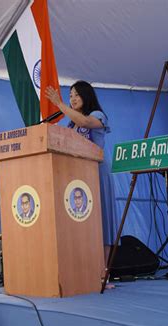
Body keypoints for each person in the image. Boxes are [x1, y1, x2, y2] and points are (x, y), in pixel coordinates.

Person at [45, 81, 116, 277]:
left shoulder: (97, 116)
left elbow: (85, 123)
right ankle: (84, 273)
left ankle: (103, 274)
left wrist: (60, 104)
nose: (72, 99)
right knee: (83, 220)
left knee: (102, 220)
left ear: (87, 96)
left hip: (98, 173)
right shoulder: (70, 123)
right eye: (70, 96)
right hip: (79, 178)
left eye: (76, 95)